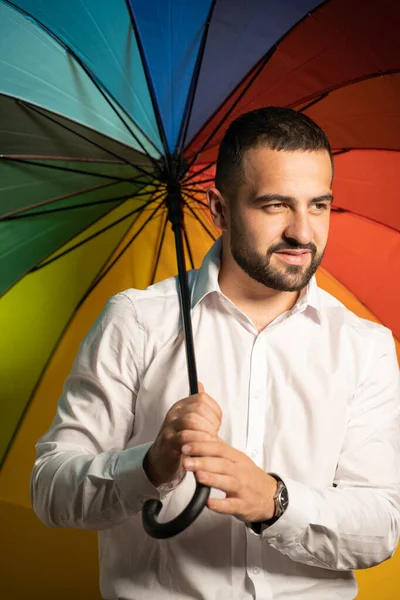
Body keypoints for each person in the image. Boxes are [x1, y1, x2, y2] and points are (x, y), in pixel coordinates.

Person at [31, 107, 400, 600]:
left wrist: (275, 500)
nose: (303, 233)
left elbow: (380, 527)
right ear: (219, 209)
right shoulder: (137, 321)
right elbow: (50, 489)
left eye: (318, 205)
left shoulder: (364, 347)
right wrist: (150, 466)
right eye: (275, 205)